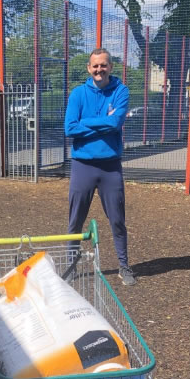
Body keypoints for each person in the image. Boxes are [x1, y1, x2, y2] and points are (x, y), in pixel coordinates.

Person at [64, 48, 136, 285]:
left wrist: (86, 122)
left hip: (110, 167)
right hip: (82, 165)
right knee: (75, 220)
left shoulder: (121, 91)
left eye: (103, 65)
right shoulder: (78, 94)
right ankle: (71, 265)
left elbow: (116, 123)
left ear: (110, 67)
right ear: (89, 68)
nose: (99, 69)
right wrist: (104, 123)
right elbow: (70, 128)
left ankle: (124, 266)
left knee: (117, 220)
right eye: (95, 66)